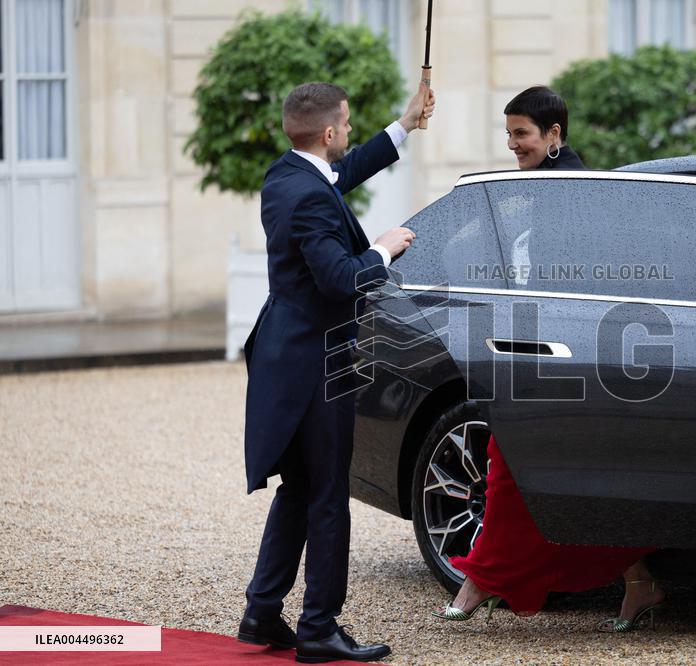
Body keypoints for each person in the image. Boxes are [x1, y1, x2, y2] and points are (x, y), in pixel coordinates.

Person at [432, 86, 665, 633]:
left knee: (517, 465)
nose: (512, 144)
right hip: (536, 345)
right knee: (551, 473)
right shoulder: (543, 186)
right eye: (509, 133)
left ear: (554, 134)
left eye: (522, 134)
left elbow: (586, 279)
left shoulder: (575, 191)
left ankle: (482, 578)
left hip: (566, 354)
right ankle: (639, 582)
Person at [237, 81, 434, 663]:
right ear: (327, 133)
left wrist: (405, 126)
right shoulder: (310, 198)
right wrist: (383, 249)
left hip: (285, 352)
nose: (348, 132)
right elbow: (343, 279)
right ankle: (320, 627)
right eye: (346, 126)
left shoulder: (285, 177)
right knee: (326, 492)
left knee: (300, 485)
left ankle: (262, 611)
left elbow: (335, 181)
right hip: (322, 359)